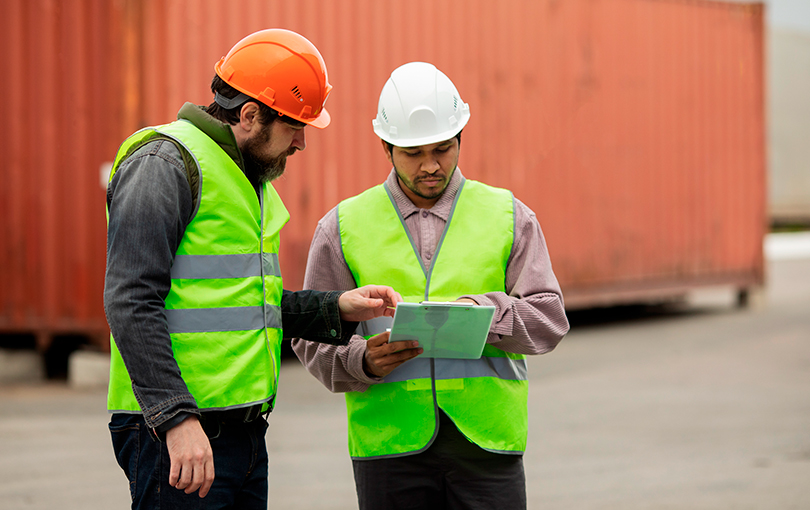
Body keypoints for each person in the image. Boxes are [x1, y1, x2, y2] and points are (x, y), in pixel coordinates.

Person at [104, 29, 401, 509]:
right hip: (180, 435)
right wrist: (176, 419)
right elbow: (130, 300)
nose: (302, 142)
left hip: (241, 435)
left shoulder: (246, 180)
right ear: (249, 115)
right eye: (294, 127)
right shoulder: (164, 163)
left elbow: (243, 307)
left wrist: (336, 308)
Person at [292, 61, 570, 510]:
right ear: (386, 147)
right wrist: (361, 360)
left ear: (461, 138)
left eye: (442, 149)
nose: (430, 166)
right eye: (412, 153)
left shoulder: (508, 216)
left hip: (487, 445)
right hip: (389, 447)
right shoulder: (342, 227)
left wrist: (485, 314)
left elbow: (550, 319)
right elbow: (310, 337)